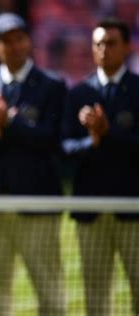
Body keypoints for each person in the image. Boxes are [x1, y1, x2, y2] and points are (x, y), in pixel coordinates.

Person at [0, 13, 67, 316]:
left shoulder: (52, 86)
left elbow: (55, 141)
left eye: (19, 38)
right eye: (5, 40)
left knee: (49, 288)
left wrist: (9, 123)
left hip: (37, 203)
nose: (13, 46)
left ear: (29, 42)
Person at [61, 17, 139, 316]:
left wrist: (108, 134)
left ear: (126, 47)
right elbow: (64, 148)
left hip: (132, 209)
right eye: (98, 44)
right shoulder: (78, 93)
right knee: (95, 295)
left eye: (111, 43)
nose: (104, 49)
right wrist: (92, 142)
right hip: (90, 209)